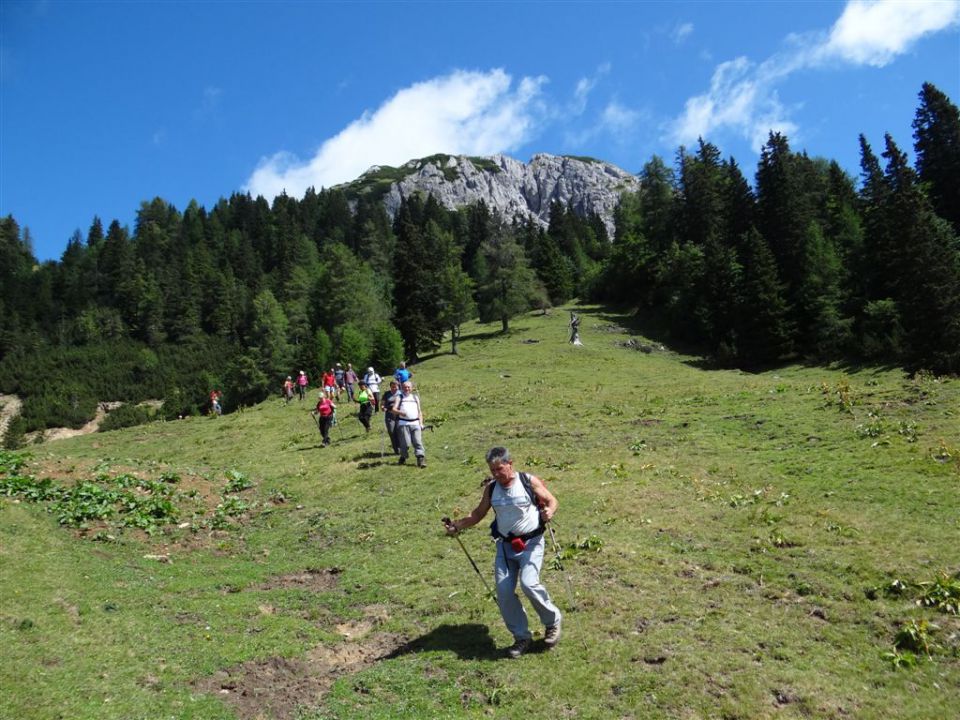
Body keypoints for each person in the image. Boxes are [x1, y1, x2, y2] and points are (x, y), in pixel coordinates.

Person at [443, 446, 562, 658]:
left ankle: (552, 622)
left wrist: (549, 511)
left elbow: (552, 500)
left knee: (529, 583)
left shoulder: (527, 481)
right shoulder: (491, 489)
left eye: (499, 469)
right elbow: (478, 514)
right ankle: (521, 637)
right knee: (504, 592)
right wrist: (457, 526)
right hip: (505, 547)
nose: (496, 474)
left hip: (531, 543)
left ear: (510, 464)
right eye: (492, 470)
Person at [391, 380, 425, 467]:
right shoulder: (399, 397)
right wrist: (401, 413)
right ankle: (403, 456)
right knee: (405, 443)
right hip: (403, 424)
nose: (407, 389)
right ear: (402, 388)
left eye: (408, 387)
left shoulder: (415, 397)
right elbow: (393, 409)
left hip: (415, 423)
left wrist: (421, 423)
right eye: (405, 387)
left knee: (418, 442)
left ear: (411, 388)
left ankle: (420, 459)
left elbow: (419, 411)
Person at [381, 380, 402, 454]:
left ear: (398, 386)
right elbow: (382, 404)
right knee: (391, 431)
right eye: (392, 387)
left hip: (399, 415)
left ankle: (401, 447)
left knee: (399, 431)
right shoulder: (387, 394)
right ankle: (396, 449)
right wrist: (383, 407)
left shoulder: (401, 394)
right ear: (390, 387)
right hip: (389, 415)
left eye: (395, 387)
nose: (394, 388)